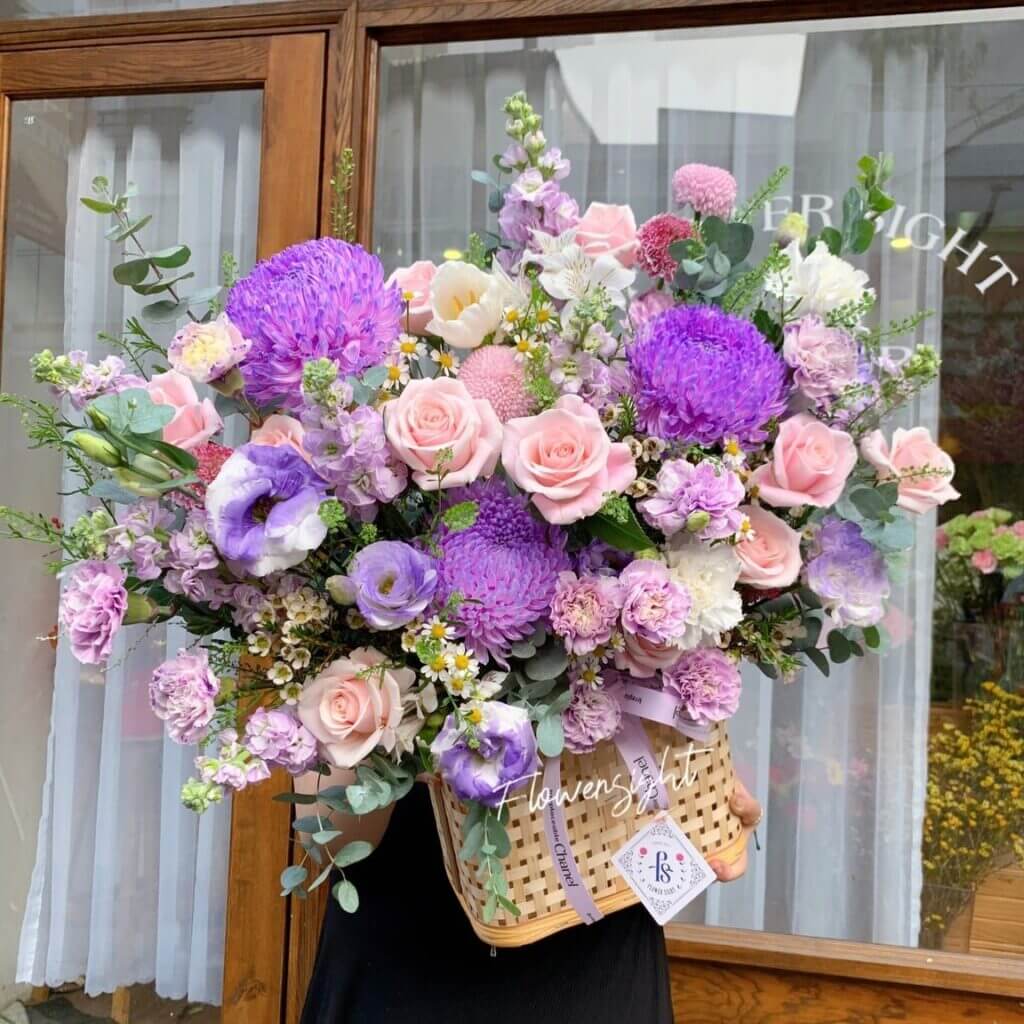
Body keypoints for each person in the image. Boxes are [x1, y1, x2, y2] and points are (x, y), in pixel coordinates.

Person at [299, 769, 762, 1024]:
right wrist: (391, 712)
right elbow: (326, 836)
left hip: (594, 963)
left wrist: (707, 824)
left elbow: (671, 759)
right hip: (411, 958)